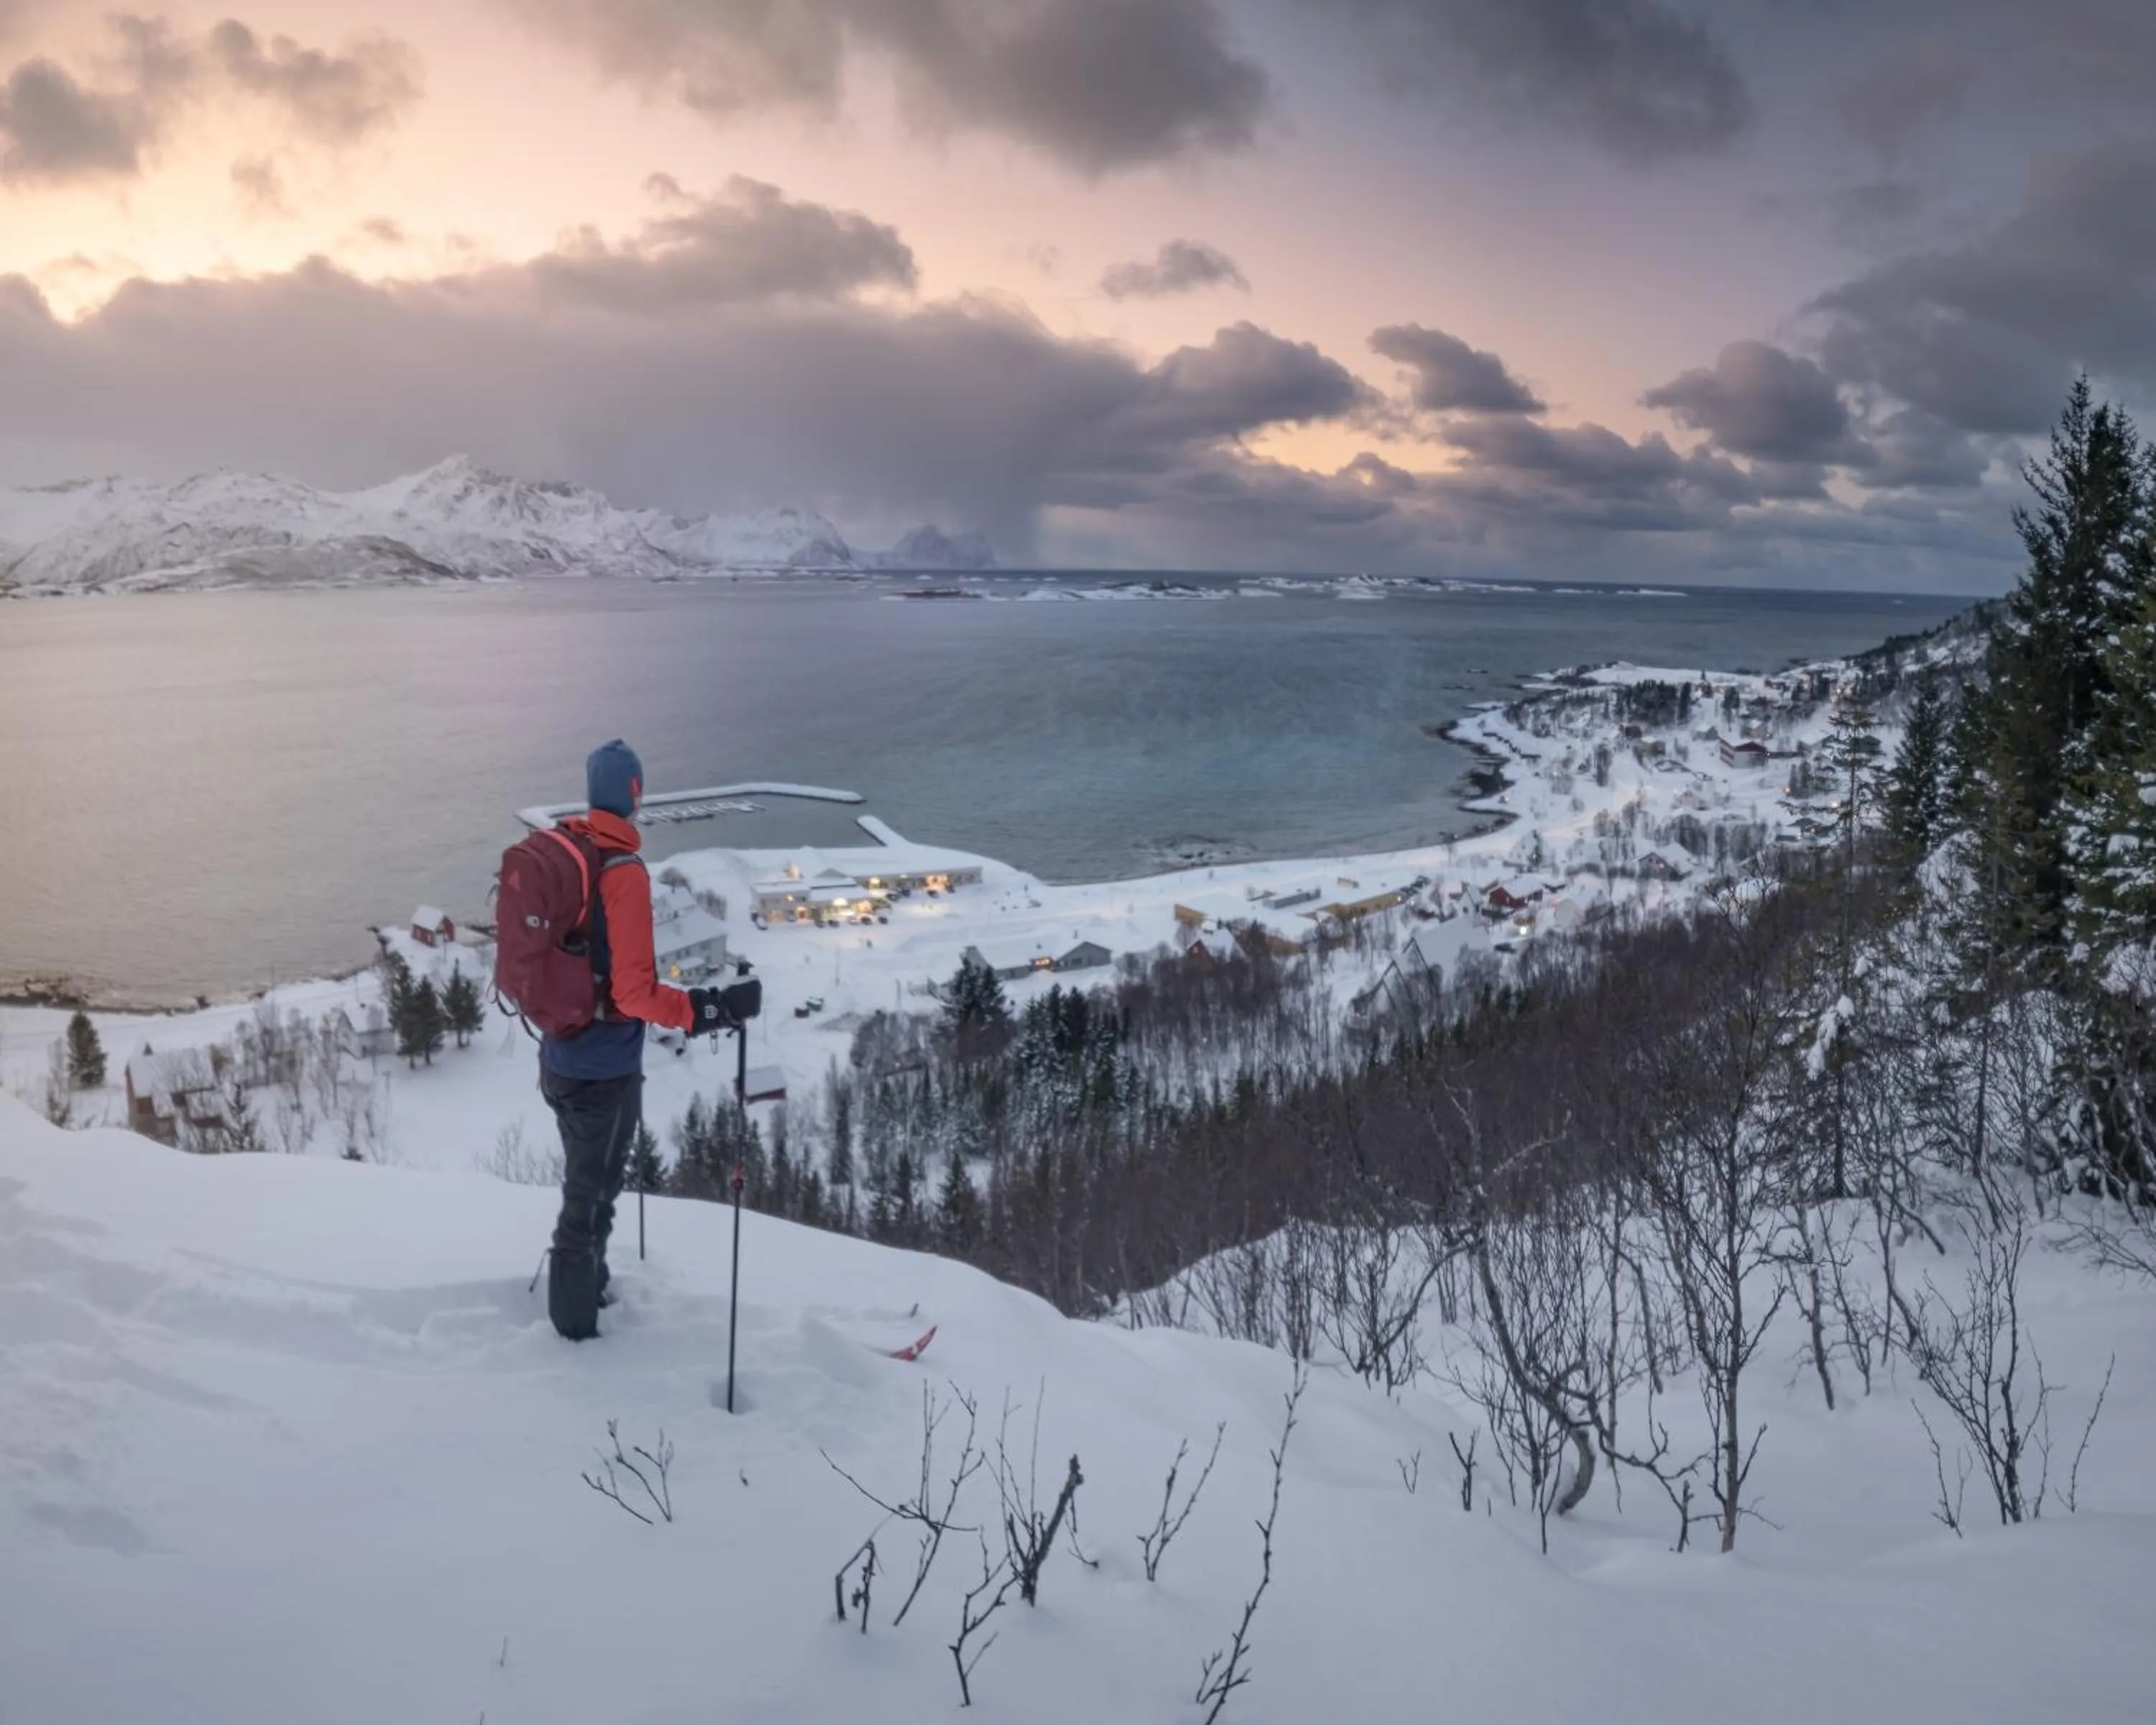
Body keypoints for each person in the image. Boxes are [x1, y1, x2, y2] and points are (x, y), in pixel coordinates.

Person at [539, 739, 760, 1341]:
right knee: (589, 1198)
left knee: (591, 1188)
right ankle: (574, 1331)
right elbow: (635, 994)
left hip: (559, 1055)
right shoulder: (622, 873)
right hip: (602, 1068)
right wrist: (701, 1009)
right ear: (635, 793)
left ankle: (589, 1289)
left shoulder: (570, 850)